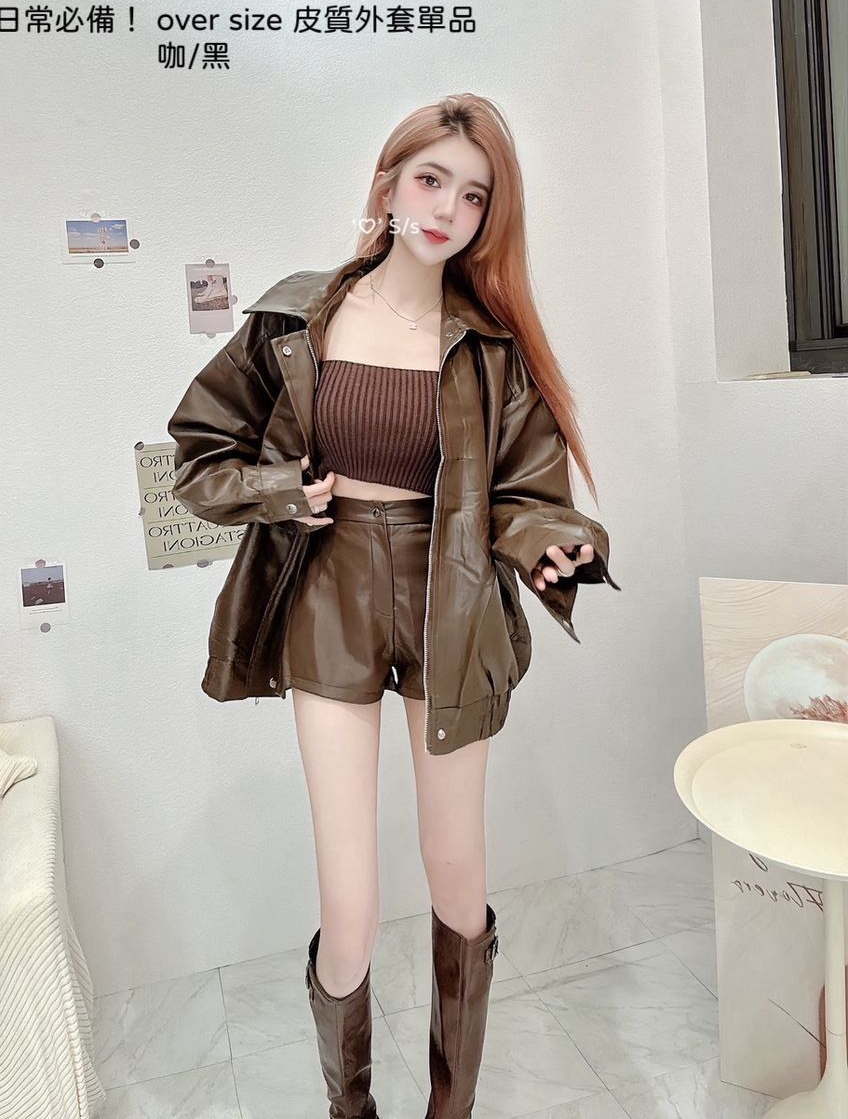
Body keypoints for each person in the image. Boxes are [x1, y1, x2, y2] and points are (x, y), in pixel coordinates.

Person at [167, 93, 620, 1118]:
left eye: (474, 195)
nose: (448, 208)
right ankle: (352, 1108)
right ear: (387, 184)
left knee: (458, 880)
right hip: (328, 595)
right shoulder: (295, 318)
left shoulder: (492, 346)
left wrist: (555, 548)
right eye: (431, 179)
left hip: (451, 603)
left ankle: (450, 1109)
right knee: (353, 904)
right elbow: (199, 452)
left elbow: (529, 493)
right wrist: (281, 491)